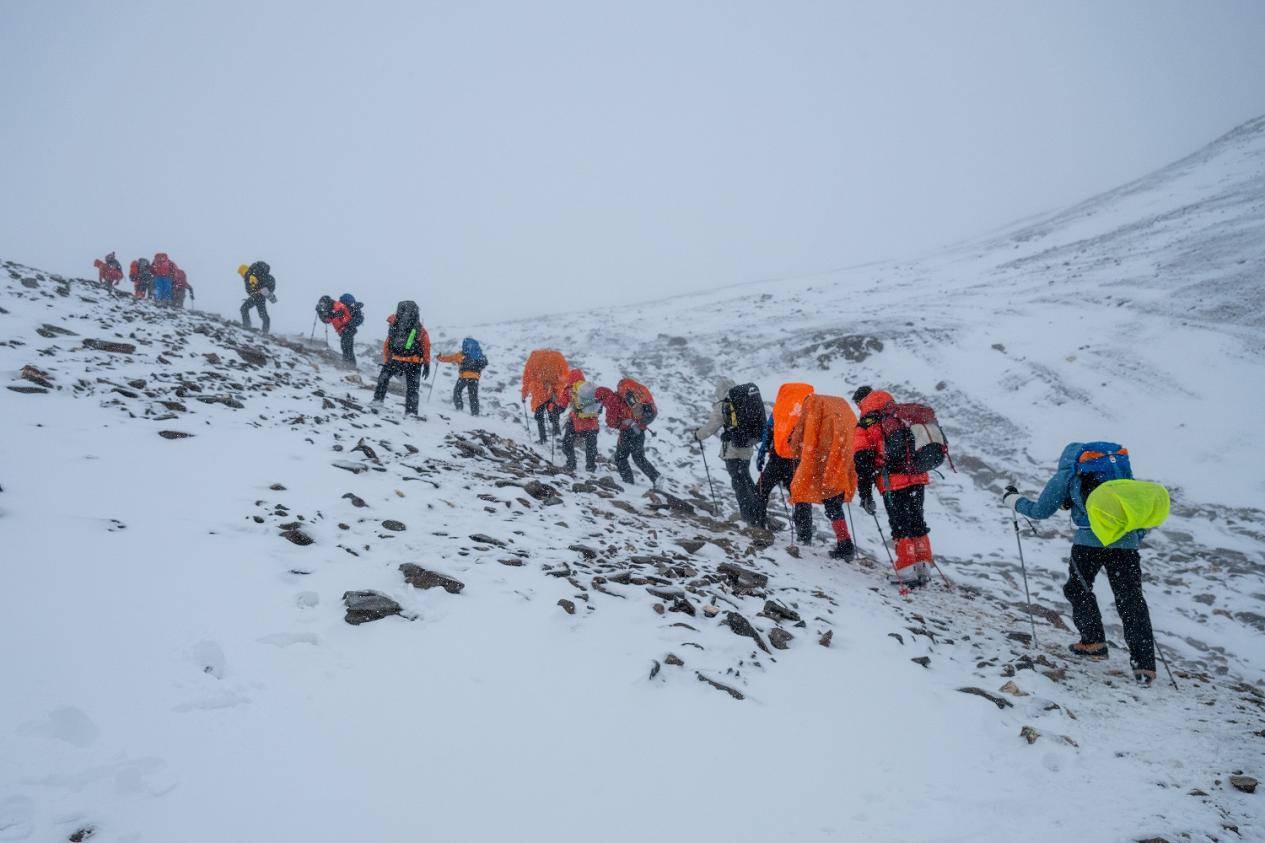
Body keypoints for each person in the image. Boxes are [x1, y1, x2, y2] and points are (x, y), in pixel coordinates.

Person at [1003, 443, 1158, 686]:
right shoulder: (1118, 470)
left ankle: (1093, 642)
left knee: (1078, 588)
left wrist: (1013, 500)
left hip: (1089, 543)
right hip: (1126, 544)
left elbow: (1041, 511)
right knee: (1131, 600)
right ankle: (1145, 665)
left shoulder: (1070, 471)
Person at [853, 386, 934, 587]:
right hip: (917, 475)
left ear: (861, 402)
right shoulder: (899, 414)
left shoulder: (866, 423)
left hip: (892, 481)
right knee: (917, 518)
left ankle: (906, 568)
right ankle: (923, 566)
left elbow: (862, 460)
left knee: (899, 523)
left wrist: (865, 494)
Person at [788, 394, 858, 560]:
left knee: (833, 506)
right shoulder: (838, 407)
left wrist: (794, 443)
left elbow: (801, 434)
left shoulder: (814, 405)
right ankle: (844, 543)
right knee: (835, 505)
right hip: (844, 461)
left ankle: (845, 545)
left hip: (829, 464)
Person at [692, 378, 762, 527]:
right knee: (746, 479)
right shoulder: (744, 401)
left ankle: (748, 518)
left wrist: (698, 435)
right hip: (747, 445)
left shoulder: (724, 404)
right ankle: (758, 514)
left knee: (738, 482)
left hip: (733, 450)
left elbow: (710, 427)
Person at [754, 382, 815, 542]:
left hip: (776, 459)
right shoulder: (808, 411)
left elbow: (768, 430)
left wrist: (762, 453)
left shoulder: (780, 409)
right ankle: (804, 536)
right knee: (800, 498)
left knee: (761, 490)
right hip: (797, 462)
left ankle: (757, 525)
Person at [597, 377, 660, 486]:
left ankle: (628, 483)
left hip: (627, 432)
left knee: (620, 458)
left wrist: (620, 423)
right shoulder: (629, 395)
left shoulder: (612, 401)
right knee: (638, 456)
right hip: (640, 429)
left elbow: (611, 423)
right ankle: (656, 477)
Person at [371, 301, 429, 416]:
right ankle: (411, 413)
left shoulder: (395, 324)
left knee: (383, 378)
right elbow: (426, 345)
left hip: (395, 359)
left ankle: (377, 401)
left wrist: (387, 359)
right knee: (412, 388)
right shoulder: (419, 328)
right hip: (414, 362)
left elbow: (388, 343)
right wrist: (427, 364)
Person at [520, 349, 569, 444]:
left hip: (539, 394)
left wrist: (524, 395)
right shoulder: (556, 359)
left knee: (539, 416)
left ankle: (543, 438)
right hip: (553, 392)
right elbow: (564, 377)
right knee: (553, 413)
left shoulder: (533, 361)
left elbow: (527, 380)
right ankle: (557, 434)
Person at [558, 368, 601, 472]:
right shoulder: (590, 389)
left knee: (567, 444)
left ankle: (571, 464)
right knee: (591, 446)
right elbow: (599, 408)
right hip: (592, 424)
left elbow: (561, 407)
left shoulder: (570, 389)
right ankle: (591, 467)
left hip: (576, 423)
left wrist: (553, 410)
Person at [437, 337, 487, 415]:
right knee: (473, 396)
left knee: (457, 391)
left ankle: (459, 409)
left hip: (464, 377)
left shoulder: (460, 355)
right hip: (475, 378)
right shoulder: (478, 355)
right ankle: (475, 413)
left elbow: (449, 358)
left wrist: (440, 358)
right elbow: (484, 363)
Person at [317, 294, 364, 368]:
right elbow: (327, 320)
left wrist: (335, 314)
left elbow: (341, 315)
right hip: (346, 330)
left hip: (347, 330)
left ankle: (348, 365)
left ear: (327, 302)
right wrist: (320, 313)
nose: (322, 306)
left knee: (346, 347)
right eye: (321, 304)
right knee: (347, 348)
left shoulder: (337, 305)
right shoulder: (331, 308)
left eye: (323, 304)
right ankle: (350, 365)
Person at [238, 261, 276, 333]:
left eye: (240, 273)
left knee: (244, 308)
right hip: (262, 293)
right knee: (263, 315)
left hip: (258, 295)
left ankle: (247, 326)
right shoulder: (257, 272)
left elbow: (252, 288)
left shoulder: (249, 275)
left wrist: (254, 293)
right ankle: (265, 332)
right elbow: (255, 288)